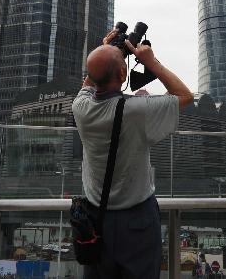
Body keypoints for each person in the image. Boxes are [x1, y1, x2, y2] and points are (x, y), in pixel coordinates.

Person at [72, 27, 193, 278]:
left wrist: (108, 51)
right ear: (123, 72)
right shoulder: (136, 111)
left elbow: (92, 80)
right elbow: (185, 96)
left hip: (95, 219)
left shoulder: (80, 107)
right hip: (137, 219)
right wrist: (152, 62)